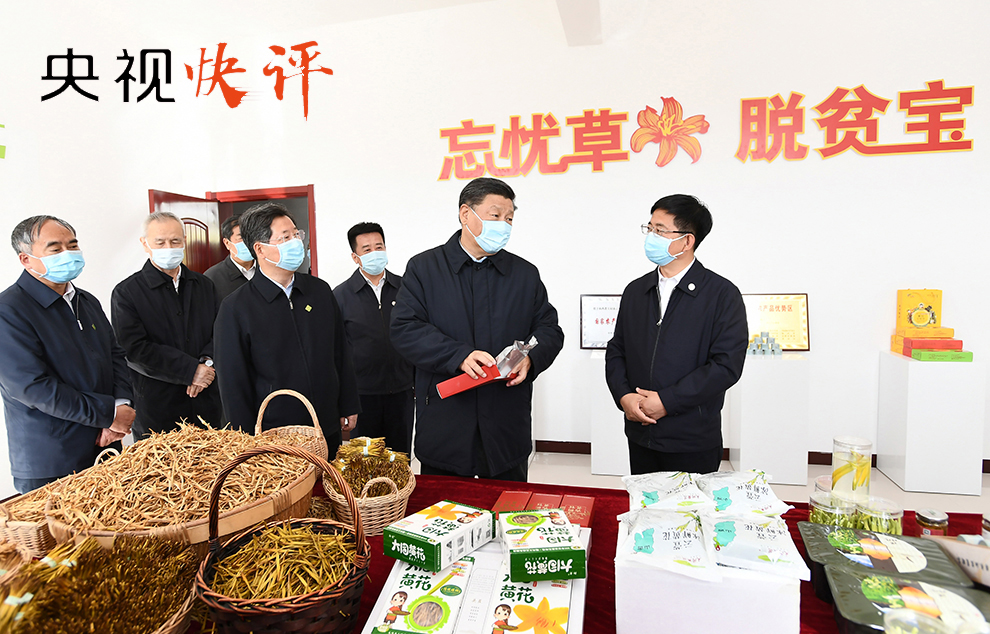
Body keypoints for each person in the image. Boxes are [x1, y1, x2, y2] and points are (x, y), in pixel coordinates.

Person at [390, 177, 563, 482]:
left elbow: (548, 329)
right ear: (465, 214)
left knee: (507, 504)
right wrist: (457, 355)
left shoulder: (524, 274)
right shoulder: (424, 269)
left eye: (509, 218)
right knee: (446, 506)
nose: (504, 225)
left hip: (506, 421)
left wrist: (530, 358)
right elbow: (405, 328)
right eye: (495, 215)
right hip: (446, 422)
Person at [605, 194, 747, 475]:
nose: (651, 236)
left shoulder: (722, 294)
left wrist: (667, 402)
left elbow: (725, 366)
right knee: (645, 501)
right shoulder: (636, 290)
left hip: (692, 438)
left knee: (689, 504)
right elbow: (617, 349)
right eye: (649, 228)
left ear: (687, 241)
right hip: (640, 432)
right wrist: (624, 396)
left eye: (660, 230)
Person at [0, 216, 134, 493]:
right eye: (55, 248)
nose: (68, 254)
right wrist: (108, 414)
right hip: (52, 459)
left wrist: (120, 405)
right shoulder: (9, 311)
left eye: (72, 246)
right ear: (26, 259)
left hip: (106, 448)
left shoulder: (86, 300)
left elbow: (115, 356)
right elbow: (32, 387)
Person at [214, 202, 360, 447]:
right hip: (275, 433)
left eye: (296, 234)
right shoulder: (236, 308)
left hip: (325, 423)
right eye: (285, 237)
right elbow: (233, 384)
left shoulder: (319, 291)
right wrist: (246, 440)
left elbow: (340, 351)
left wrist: (348, 403)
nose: (296, 242)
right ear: (260, 248)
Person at [110, 211, 222, 439]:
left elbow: (220, 332)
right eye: (160, 242)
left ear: (185, 241)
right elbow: (133, 349)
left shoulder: (204, 285)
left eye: (175, 241)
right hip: (157, 409)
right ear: (145, 243)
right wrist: (190, 371)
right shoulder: (127, 292)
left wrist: (206, 363)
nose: (168, 248)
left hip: (206, 403)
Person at [333, 222, 414, 453]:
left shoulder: (406, 288)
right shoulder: (340, 295)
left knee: (399, 459)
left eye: (379, 247)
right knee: (366, 462)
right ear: (355, 257)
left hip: (402, 391)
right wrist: (344, 400)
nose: (375, 253)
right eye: (367, 249)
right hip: (362, 397)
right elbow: (336, 351)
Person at [204, 215, 256, 301]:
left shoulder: (268, 269)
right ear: (227, 243)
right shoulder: (212, 277)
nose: (248, 242)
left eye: (251, 237)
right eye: (241, 238)